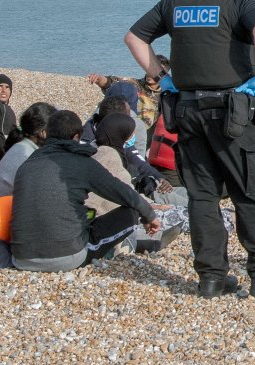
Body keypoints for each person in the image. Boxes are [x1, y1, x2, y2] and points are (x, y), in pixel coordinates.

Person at [124, 0, 255, 298]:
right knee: (250, 192)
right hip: (233, 108)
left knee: (202, 196)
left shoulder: (177, 0)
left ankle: (211, 277)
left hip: (186, 109)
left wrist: (159, 75)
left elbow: (134, 38)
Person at [11, 110, 160, 272]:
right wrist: (149, 215)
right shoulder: (82, 163)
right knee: (131, 212)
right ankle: (121, 248)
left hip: (21, 257)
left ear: (47, 134)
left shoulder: (27, 164)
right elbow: (124, 193)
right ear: (76, 137)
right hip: (67, 257)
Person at [85, 54, 170, 132]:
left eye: (155, 71)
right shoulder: (134, 84)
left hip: (148, 137)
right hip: (124, 129)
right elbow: (112, 82)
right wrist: (100, 79)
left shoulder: (167, 95)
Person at [0, 102, 56, 199]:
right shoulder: (29, 157)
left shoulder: (21, 147)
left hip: (4, 207)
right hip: (10, 211)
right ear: (43, 132)